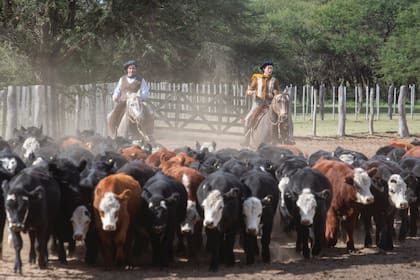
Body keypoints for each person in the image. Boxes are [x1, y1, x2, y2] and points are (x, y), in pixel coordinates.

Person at [241, 61, 287, 147]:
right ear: (264, 69)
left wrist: (278, 95)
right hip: (258, 103)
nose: (270, 70)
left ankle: (285, 137)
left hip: (270, 104)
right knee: (248, 118)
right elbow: (250, 89)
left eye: (271, 68)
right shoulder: (257, 78)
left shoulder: (274, 80)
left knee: (282, 116)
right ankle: (246, 138)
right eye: (269, 68)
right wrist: (249, 92)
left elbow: (276, 92)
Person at [108, 60, 155, 141]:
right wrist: (115, 96)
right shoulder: (122, 79)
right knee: (110, 115)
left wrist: (139, 97)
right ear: (127, 69)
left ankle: (149, 133)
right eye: (130, 68)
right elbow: (117, 90)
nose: (131, 70)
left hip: (137, 101)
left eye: (133, 68)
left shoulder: (140, 80)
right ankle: (113, 133)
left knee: (150, 112)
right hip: (123, 101)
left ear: (135, 69)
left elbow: (145, 92)